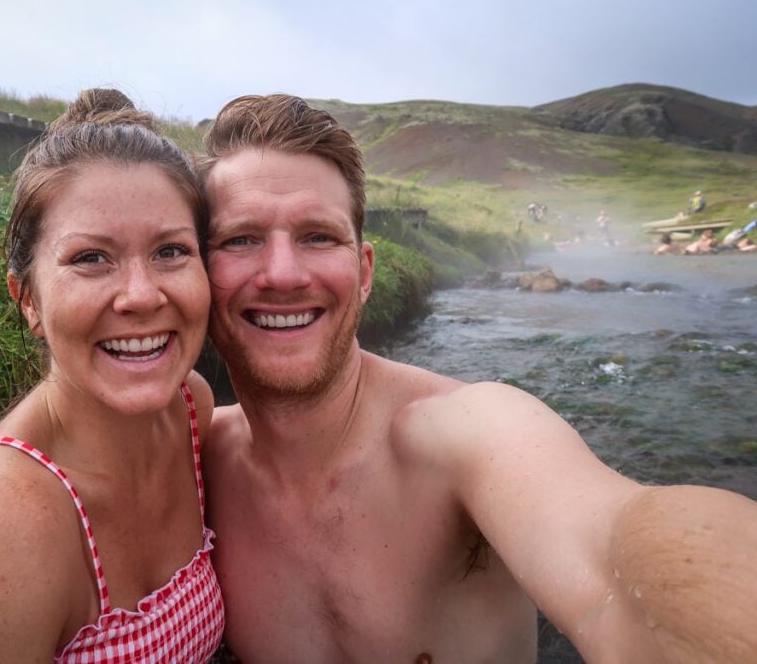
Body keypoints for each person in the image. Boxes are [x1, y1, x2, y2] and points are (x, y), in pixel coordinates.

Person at [198, 94, 757, 663]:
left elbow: (614, 552)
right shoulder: (196, 458)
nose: (283, 274)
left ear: (364, 273)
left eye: (318, 236)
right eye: (241, 239)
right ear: (196, 269)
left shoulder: (466, 433)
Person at [0, 89, 224, 662]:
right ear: (28, 299)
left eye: (171, 251)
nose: (141, 295)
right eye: (91, 258)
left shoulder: (190, 409)